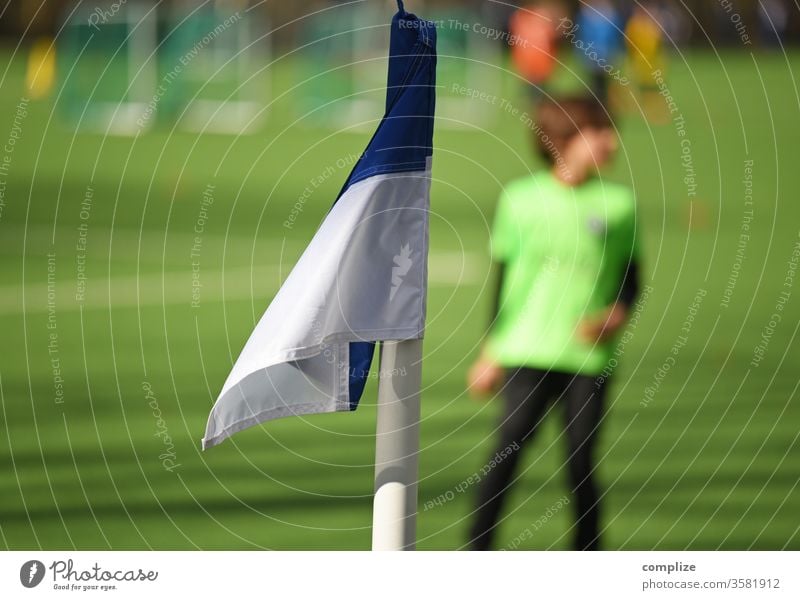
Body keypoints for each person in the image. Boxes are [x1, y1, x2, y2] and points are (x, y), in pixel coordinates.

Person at [466, 96, 640, 551]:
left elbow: (630, 280)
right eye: (598, 132)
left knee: (581, 462)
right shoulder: (519, 200)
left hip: (587, 356)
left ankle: (588, 555)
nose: (610, 141)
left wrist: (616, 314)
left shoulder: (620, 205)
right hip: (526, 349)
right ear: (563, 141)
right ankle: (474, 552)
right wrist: (490, 351)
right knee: (505, 454)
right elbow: (503, 282)